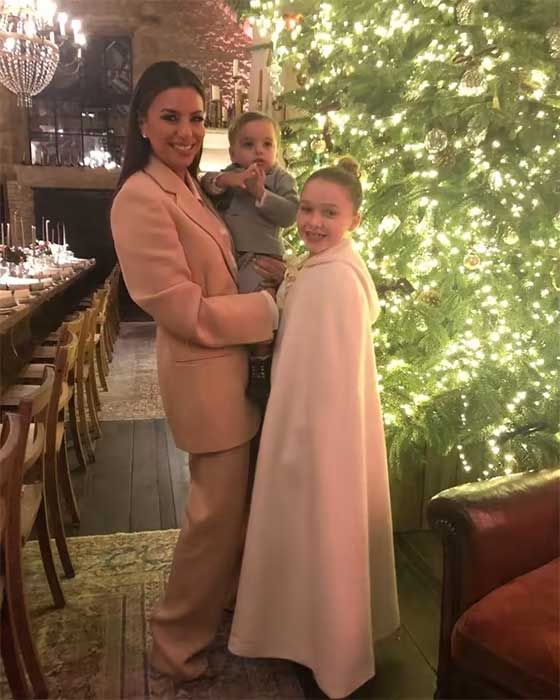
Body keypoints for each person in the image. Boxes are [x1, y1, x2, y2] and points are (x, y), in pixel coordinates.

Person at [110, 61, 282, 683]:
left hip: (233, 371)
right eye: (171, 117)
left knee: (230, 514)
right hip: (205, 376)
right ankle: (174, 647)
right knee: (211, 522)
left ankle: (227, 612)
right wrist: (267, 307)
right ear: (143, 123)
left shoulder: (189, 185)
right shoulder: (140, 196)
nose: (186, 131)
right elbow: (181, 308)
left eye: (196, 119)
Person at [229, 157, 400, 699]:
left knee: (324, 527)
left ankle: (330, 646)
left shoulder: (337, 281)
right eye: (306, 208)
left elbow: (332, 376)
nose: (313, 222)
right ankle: (301, 630)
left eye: (329, 213)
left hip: (320, 433)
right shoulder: (317, 267)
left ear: (355, 219)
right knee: (302, 530)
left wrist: (310, 442)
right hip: (299, 421)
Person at [201, 112, 298, 403]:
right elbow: (206, 184)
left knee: (262, 310)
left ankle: (260, 364)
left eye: (267, 144)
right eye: (248, 144)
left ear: (276, 151)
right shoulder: (232, 175)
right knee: (239, 312)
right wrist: (229, 180)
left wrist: (261, 194)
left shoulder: (280, 178)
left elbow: (291, 214)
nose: (259, 151)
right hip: (230, 258)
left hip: (262, 257)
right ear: (233, 152)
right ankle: (247, 359)